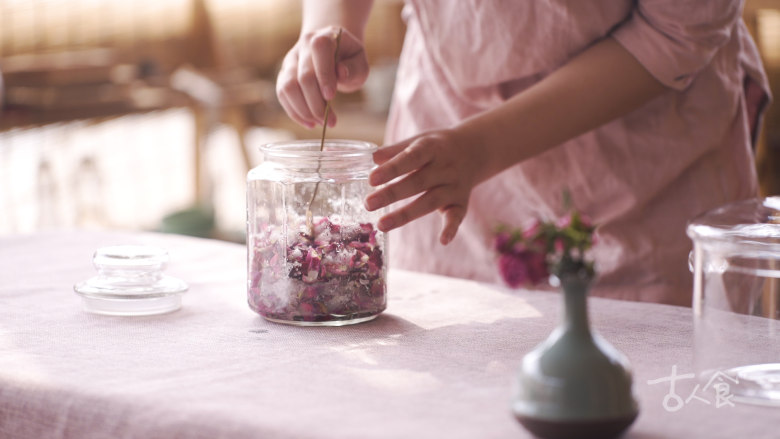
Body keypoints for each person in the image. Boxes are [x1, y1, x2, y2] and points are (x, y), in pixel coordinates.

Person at [276, 0, 770, 306]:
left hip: (641, 168)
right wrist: (329, 26)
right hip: (446, 135)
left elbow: (677, 27)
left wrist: (479, 148)